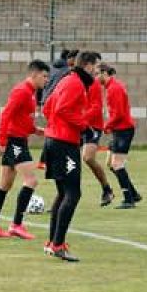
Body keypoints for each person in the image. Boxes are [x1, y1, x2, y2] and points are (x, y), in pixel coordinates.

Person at [41, 51, 101, 262]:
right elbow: (62, 109)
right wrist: (85, 127)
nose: (97, 71)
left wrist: (55, 127)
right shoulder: (74, 83)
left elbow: (48, 107)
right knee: (73, 193)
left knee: (62, 193)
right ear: (86, 65)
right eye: (96, 67)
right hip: (63, 144)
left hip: (55, 140)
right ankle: (58, 245)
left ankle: (52, 243)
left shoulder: (67, 80)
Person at [0, 59, 50, 241]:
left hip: (18, 139)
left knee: (4, 184)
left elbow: (21, 117)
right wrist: (2, 142)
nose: (46, 80)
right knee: (31, 181)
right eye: (44, 76)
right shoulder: (22, 91)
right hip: (14, 142)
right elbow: (6, 114)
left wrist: (35, 130)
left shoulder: (31, 93)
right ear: (34, 74)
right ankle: (16, 224)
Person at [100, 64, 142, 209]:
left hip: (123, 130)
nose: (94, 77)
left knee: (117, 164)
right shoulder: (111, 87)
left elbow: (118, 114)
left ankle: (128, 199)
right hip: (118, 129)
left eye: (96, 74)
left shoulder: (114, 88)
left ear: (104, 73)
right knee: (111, 164)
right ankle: (134, 194)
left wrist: (106, 126)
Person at [81, 65, 114, 206]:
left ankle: (107, 189)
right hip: (79, 124)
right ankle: (61, 199)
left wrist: (81, 119)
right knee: (70, 162)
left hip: (92, 126)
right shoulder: (73, 81)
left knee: (88, 158)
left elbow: (96, 107)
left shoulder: (92, 83)